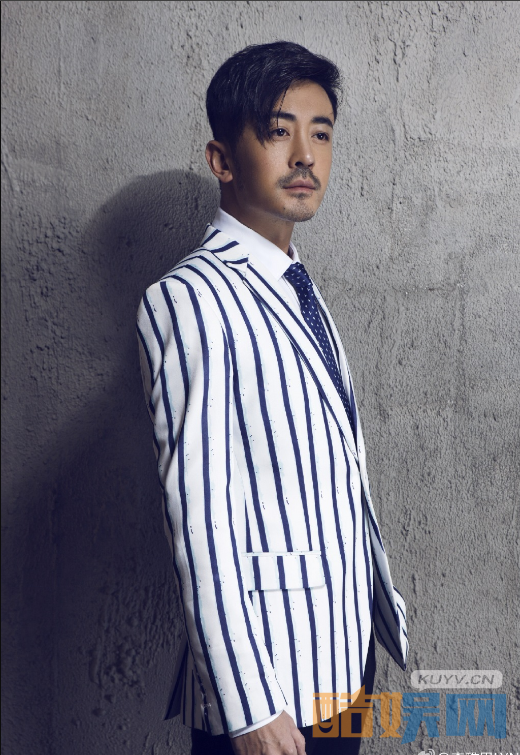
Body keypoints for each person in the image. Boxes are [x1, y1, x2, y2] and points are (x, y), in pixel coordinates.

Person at [136, 41, 408, 755]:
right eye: (278, 131)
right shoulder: (191, 299)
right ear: (222, 159)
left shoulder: (296, 283)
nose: (306, 156)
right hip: (269, 689)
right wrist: (247, 707)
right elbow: (200, 521)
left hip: (341, 661)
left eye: (321, 133)